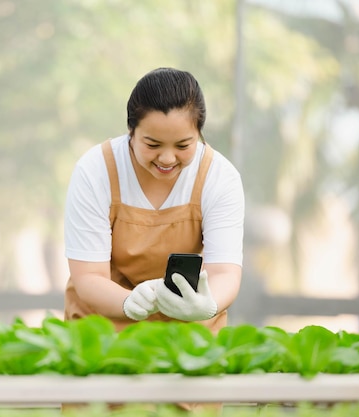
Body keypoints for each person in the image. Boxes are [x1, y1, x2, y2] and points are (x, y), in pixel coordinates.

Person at [62, 67, 244, 413]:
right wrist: (129, 302)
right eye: (152, 144)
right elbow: (89, 278)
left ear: (199, 133)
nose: (166, 158)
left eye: (183, 145)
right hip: (104, 322)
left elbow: (225, 273)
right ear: (131, 131)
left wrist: (206, 304)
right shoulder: (95, 170)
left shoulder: (220, 178)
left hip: (189, 328)